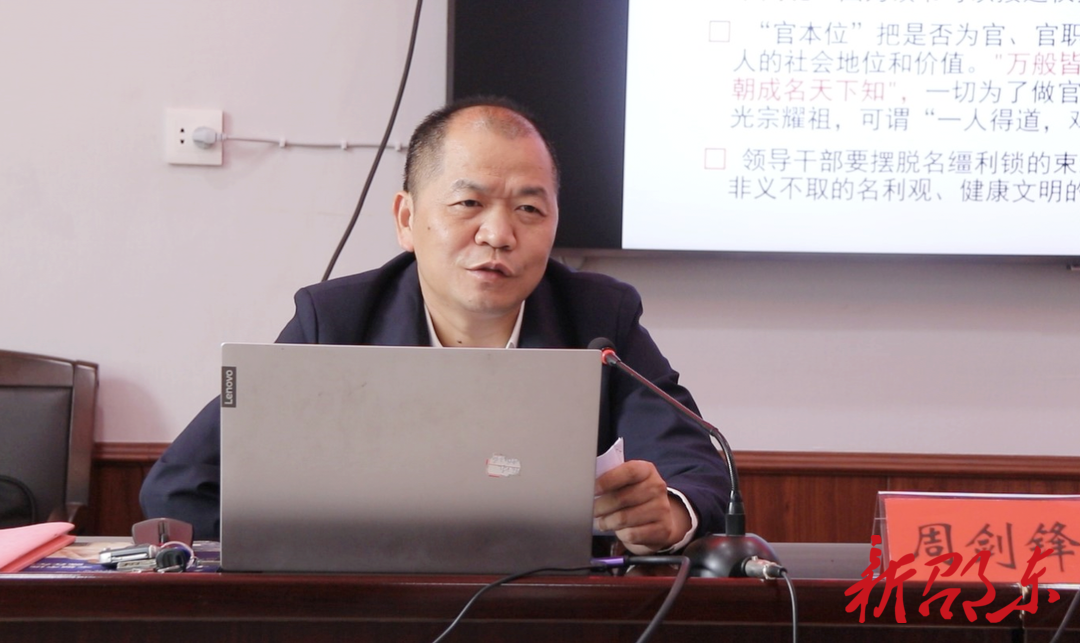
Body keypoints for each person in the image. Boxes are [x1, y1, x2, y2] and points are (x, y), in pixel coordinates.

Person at [140, 97, 731, 554]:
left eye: (529, 209)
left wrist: (669, 513)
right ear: (407, 218)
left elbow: (696, 469)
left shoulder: (600, 319)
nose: (498, 234)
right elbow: (180, 486)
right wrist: (320, 550)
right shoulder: (338, 320)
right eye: (469, 204)